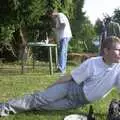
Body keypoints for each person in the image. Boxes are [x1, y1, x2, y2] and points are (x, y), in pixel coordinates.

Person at [1, 36, 120, 117]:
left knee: (43, 107)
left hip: (77, 102)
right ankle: (4, 107)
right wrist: (52, 87)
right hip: (70, 88)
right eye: (117, 50)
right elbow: (70, 76)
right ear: (106, 50)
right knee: (39, 99)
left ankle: (28, 103)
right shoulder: (93, 63)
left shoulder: (118, 69)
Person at [49, 9, 72, 74]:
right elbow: (58, 31)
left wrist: (56, 29)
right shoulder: (57, 18)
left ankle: (61, 68)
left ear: (53, 13)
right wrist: (52, 39)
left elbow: (63, 25)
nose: (51, 17)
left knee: (62, 52)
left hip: (65, 36)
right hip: (64, 36)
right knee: (63, 53)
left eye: (51, 15)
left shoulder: (60, 15)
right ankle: (62, 68)